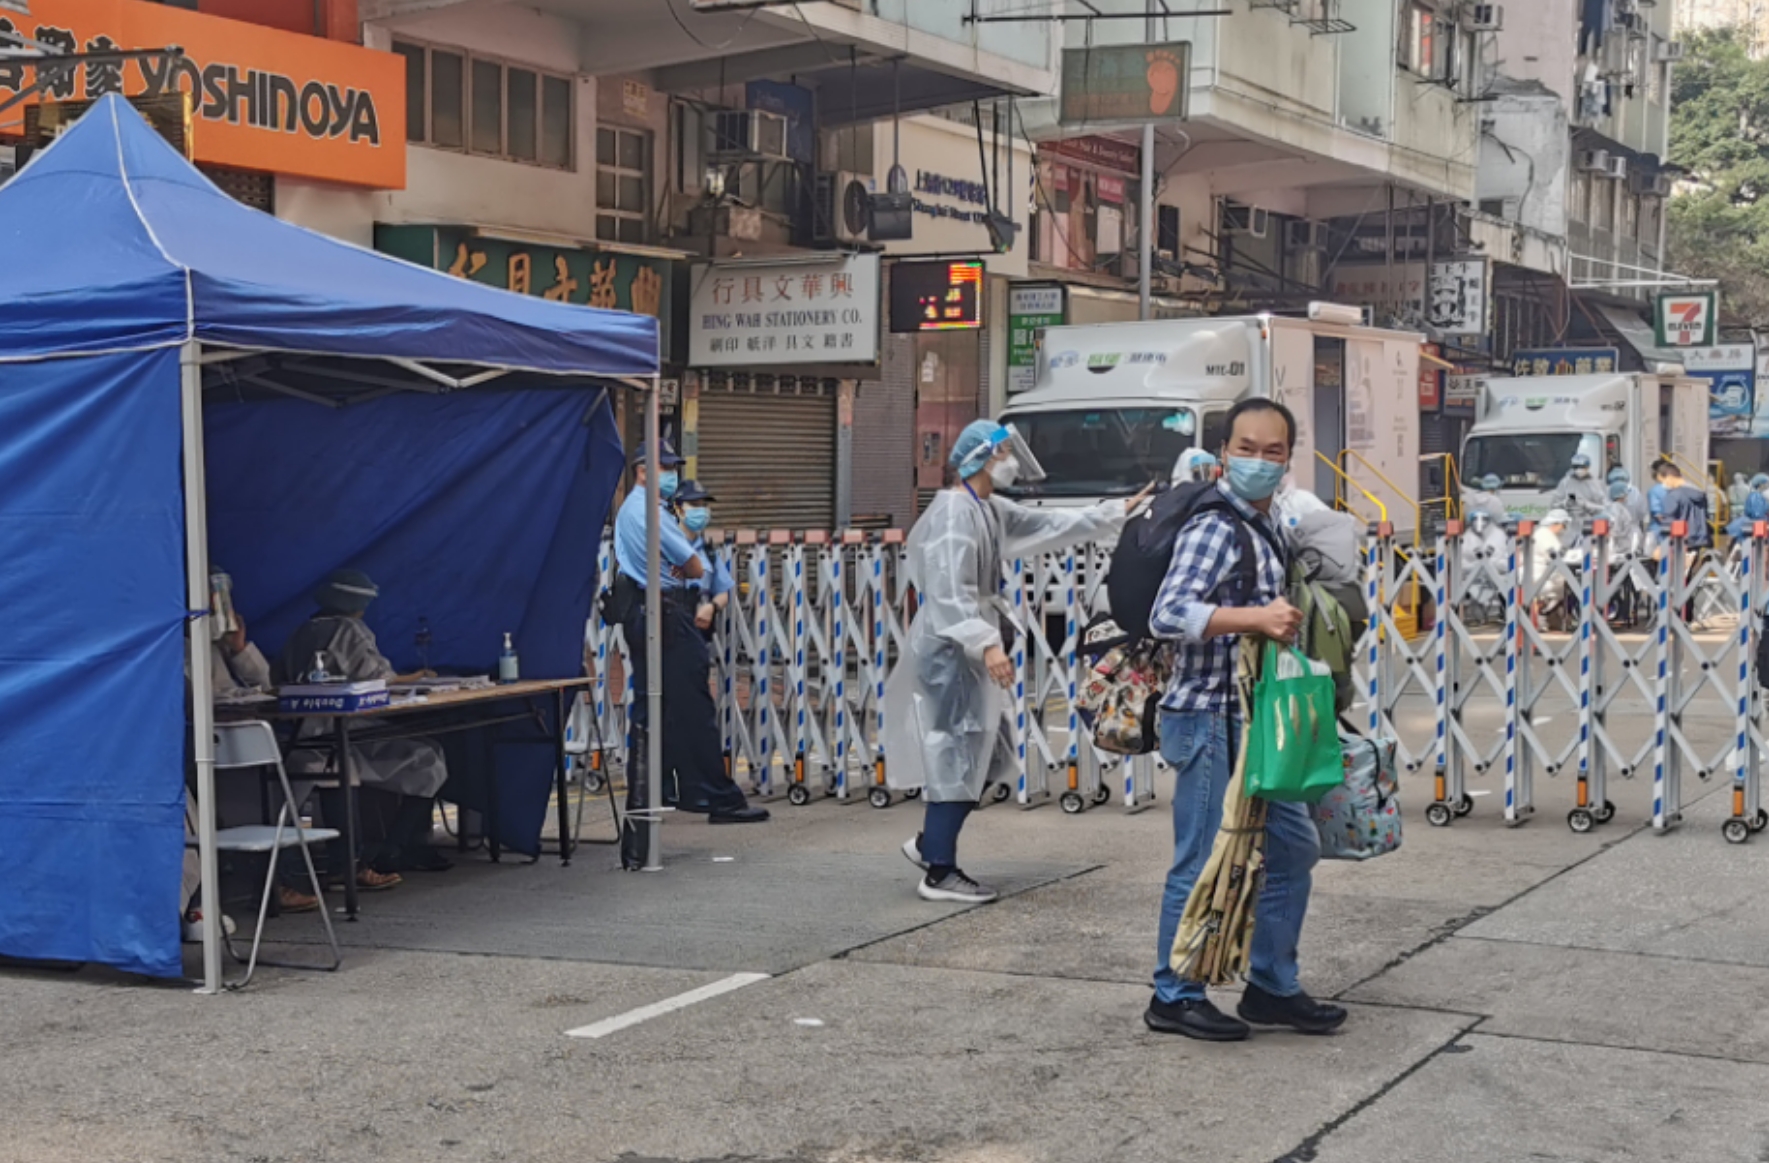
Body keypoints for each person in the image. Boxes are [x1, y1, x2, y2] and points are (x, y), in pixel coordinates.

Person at [1144, 397, 1346, 1043]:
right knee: (1200, 857)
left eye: (1272, 451)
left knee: (1292, 848)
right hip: (1204, 715)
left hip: (1256, 717)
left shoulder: (1269, 521)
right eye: (1246, 449)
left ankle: (1270, 985)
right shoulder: (1214, 525)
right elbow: (1167, 613)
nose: (1258, 461)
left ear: (1289, 457)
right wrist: (1254, 618)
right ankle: (1173, 994)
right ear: (1222, 451)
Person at [890, 420, 1140, 903]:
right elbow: (948, 591)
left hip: (964, 649)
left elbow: (1049, 525)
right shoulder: (952, 515)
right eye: (1002, 454)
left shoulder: (986, 508)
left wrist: (1116, 511)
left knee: (990, 754)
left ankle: (929, 843)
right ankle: (939, 870)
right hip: (948, 651)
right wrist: (985, 642)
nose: (1009, 463)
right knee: (956, 756)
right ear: (983, 457)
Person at [614, 443, 766, 824]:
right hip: (666, 613)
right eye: (664, 467)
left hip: (648, 611)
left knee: (657, 707)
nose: (670, 474)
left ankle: (657, 791)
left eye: (673, 467)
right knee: (693, 706)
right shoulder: (650, 511)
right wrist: (684, 572)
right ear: (642, 470)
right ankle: (713, 796)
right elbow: (694, 567)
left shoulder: (634, 509)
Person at [278, 569, 451, 886]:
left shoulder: (302, 631)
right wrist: (417, 677)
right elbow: (378, 677)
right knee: (429, 759)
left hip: (306, 732)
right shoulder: (349, 629)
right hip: (345, 730)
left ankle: (367, 857)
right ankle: (391, 850)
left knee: (414, 760)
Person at [674, 479, 735, 636]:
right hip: (668, 634)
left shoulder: (708, 553)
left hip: (698, 633)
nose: (701, 510)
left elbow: (723, 592)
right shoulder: (663, 548)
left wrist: (711, 607)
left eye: (704, 505)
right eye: (694, 505)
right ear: (678, 509)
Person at [1654, 459, 1713, 552]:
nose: (1663, 485)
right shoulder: (1699, 493)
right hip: (1701, 540)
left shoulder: (1673, 496)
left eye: (1662, 481)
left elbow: (1668, 523)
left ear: (1669, 477)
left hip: (1680, 542)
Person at [1552, 453, 1606, 536]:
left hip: (1590, 525)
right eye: (1576, 467)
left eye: (1582, 467)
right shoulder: (1565, 483)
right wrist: (1565, 503)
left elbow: (1605, 508)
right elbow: (1553, 506)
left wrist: (1587, 505)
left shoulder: (1596, 484)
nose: (1579, 469)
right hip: (1569, 525)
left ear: (1588, 467)